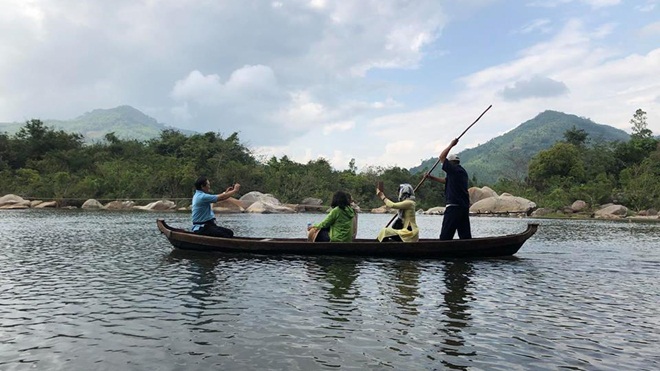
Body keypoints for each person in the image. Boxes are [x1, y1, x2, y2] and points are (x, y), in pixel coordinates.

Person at [425, 138, 472, 240]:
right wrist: (432, 178)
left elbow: (441, 157)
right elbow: (446, 181)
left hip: (454, 207)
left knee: (445, 237)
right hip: (463, 207)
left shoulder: (453, 169)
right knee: (465, 236)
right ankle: (468, 251)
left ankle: (442, 251)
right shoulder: (461, 172)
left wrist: (451, 144)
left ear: (451, 163)